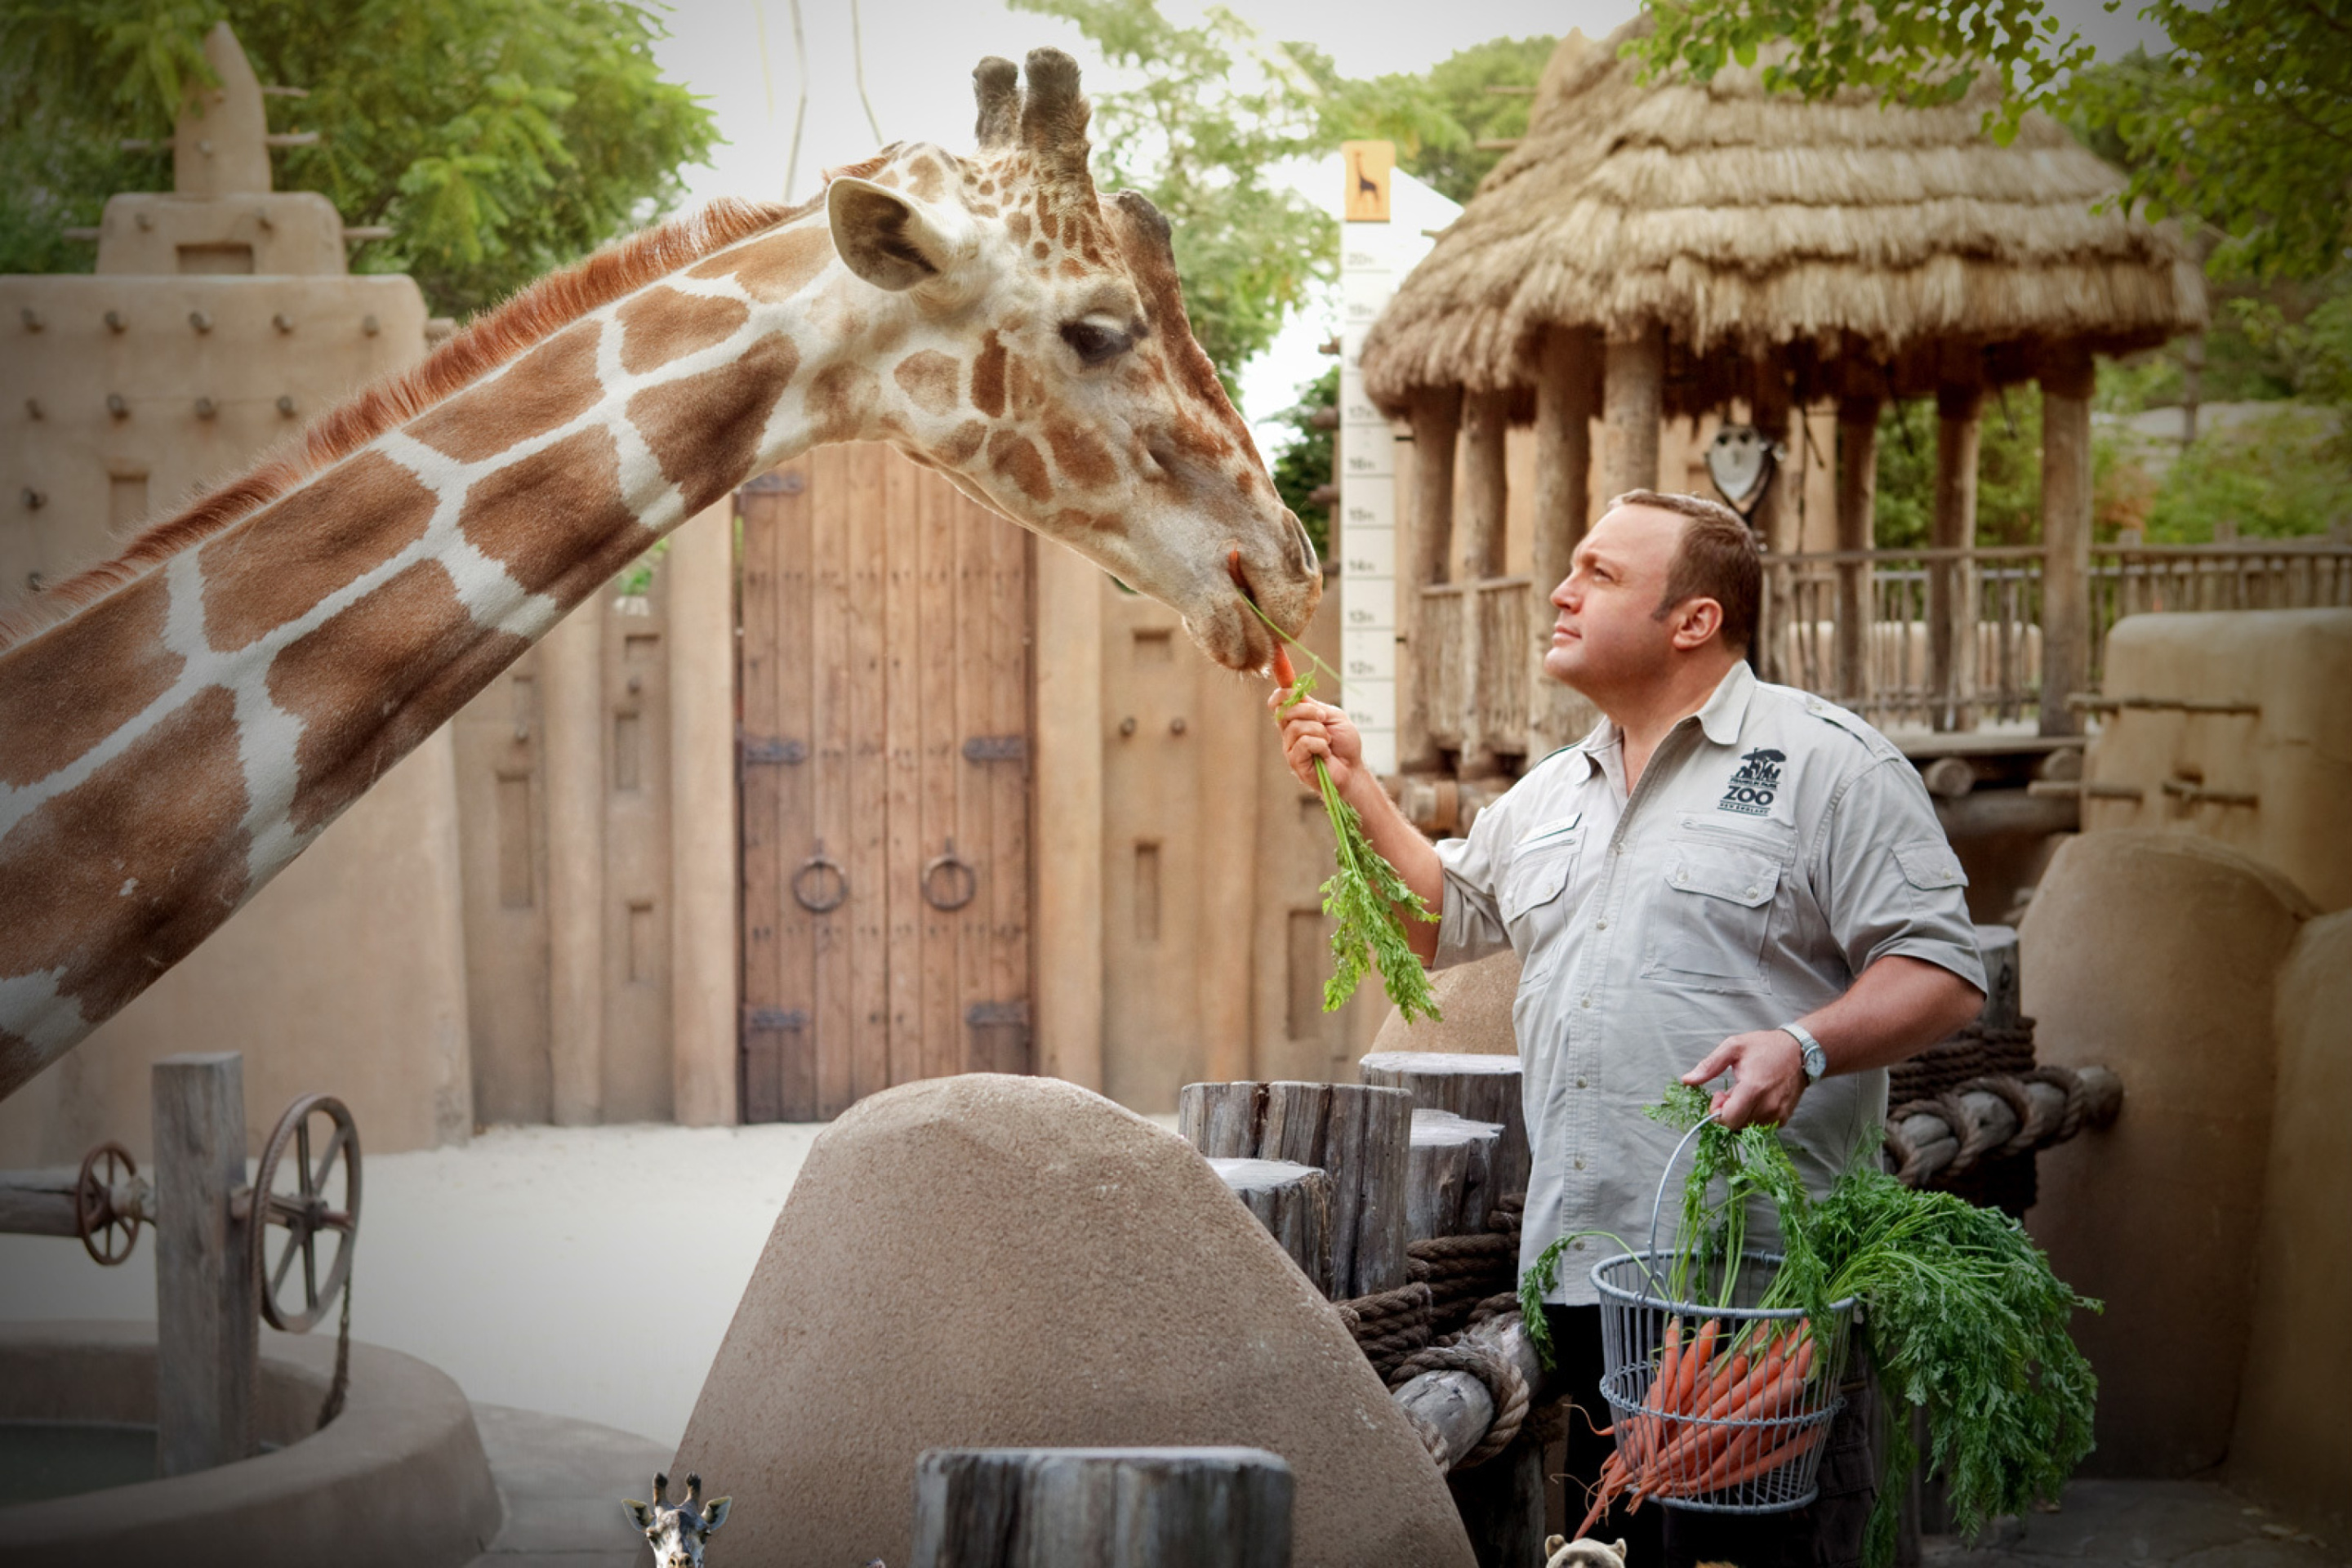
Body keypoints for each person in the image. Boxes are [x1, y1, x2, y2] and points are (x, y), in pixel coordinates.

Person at [1272, 490, 1985, 1566]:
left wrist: (1807, 1045)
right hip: (1581, 1272)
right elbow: (1438, 923)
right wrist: (1358, 785)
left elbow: (1942, 970)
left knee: (1733, 1558)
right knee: (1612, 1548)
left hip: (1751, 1284)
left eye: (1600, 574)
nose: (1561, 592)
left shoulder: (1830, 764)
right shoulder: (1553, 790)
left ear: (1692, 620)